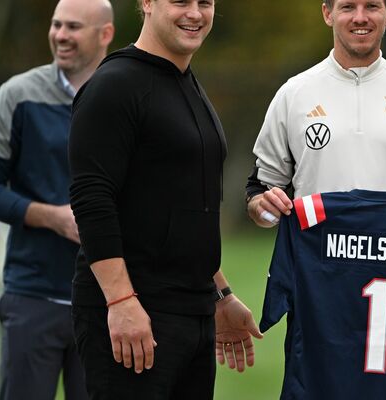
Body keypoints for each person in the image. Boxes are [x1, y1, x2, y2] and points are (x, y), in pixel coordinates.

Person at [68, 0, 262, 398]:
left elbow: (184, 208)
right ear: (147, 3)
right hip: (136, 315)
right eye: (180, 1)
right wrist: (121, 302)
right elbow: (91, 200)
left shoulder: (184, 80)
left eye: (204, 3)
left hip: (192, 313)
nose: (194, 13)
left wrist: (220, 296)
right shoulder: (115, 84)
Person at [0, 0, 113, 398]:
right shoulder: (17, 96)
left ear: (104, 34)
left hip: (109, 303)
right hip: (32, 297)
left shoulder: (126, 98)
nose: (60, 35)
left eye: (73, 27)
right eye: (56, 25)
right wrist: (49, 217)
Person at [245, 0, 386, 226]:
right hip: (317, 259)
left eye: (371, 6)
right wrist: (265, 210)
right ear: (328, 13)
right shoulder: (294, 94)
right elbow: (260, 193)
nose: (360, 17)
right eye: (348, 7)